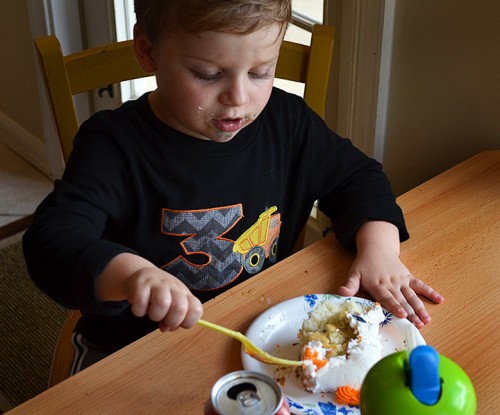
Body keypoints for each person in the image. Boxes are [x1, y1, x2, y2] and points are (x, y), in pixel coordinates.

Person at [23, 0, 443, 373]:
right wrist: (129, 275)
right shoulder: (113, 146)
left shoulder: (287, 122)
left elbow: (357, 177)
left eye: (261, 72)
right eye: (208, 74)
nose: (239, 98)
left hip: (257, 329)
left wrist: (380, 251)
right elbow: (52, 241)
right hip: (130, 351)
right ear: (148, 50)